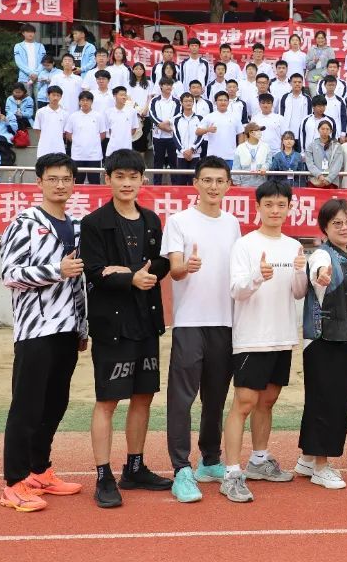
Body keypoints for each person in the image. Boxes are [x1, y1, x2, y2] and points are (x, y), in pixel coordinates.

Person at [79, 150, 174, 508]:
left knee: (143, 396)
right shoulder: (94, 223)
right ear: (108, 179)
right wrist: (129, 277)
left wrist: (136, 272)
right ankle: (103, 475)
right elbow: (94, 272)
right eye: (119, 176)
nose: (127, 183)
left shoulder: (151, 220)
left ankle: (134, 468)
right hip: (112, 326)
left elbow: (159, 263)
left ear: (142, 179)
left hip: (146, 322)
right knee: (107, 400)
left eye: (133, 176)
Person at [0, 154, 87, 513]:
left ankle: (39, 471)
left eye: (66, 179)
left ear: (74, 183)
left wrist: (82, 327)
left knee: (55, 404)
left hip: (67, 330)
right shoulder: (25, 224)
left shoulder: (76, 227)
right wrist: (55, 269)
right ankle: (13, 483)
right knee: (27, 407)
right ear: (39, 182)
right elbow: (10, 274)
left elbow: (79, 283)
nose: (60, 185)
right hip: (35, 330)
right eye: (53, 179)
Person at [160, 157, 242, 504]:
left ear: (228, 185)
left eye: (219, 181)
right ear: (195, 183)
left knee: (216, 397)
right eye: (206, 180)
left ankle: (210, 460)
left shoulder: (233, 223)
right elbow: (174, 269)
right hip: (190, 322)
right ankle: (181, 468)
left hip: (225, 322)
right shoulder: (178, 221)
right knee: (182, 399)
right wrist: (186, 267)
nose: (213, 186)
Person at [221, 180, 308, 503]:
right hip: (252, 338)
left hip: (282, 336)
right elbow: (236, 290)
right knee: (244, 402)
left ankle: (259, 460)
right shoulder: (245, 245)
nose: (275, 210)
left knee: (267, 401)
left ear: (289, 207)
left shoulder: (294, 245)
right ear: (257, 207)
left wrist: (300, 273)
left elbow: (298, 292)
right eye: (268, 204)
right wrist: (258, 276)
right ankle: (231, 473)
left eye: (281, 205)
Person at [295, 199, 347, 490]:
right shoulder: (323, 254)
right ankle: (321, 466)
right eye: (337, 223)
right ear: (324, 228)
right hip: (324, 340)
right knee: (329, 402)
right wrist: (321, 276)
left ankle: (308, 458)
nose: (345, 227)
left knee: (323, 399)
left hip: (344, 337)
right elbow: (319, 272)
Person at [63, 91, 107, 184]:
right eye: (82, 100)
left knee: (94, 182)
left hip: (94, 156)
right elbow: (68, 133)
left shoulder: (98, 116)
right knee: (77, 182)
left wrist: (93, 143)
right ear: (79, 102)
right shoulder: (73, 116)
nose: (85, 102)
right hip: (77, 155)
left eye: (88, 100)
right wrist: (77, 142)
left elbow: (103, 133)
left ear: (92, 102)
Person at [306, 119, 344, 188]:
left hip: (332, 182)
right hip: (315, 181)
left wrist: (329, 179)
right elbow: (310, 163)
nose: (325, 131)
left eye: (327, 129)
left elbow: (337, 164)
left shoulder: (336, 146)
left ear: (331, 131)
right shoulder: (311, 145)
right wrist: (319, 175)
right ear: (318, 130)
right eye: (322, 129)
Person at [234, 122, 272, 187]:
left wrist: (265, 167)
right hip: (244, 184)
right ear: (250, 133)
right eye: (257, 130)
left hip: (262, 184)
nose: (260, 132)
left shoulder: (266, 147)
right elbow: (236, 167)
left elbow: (269, 161)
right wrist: (237, 183)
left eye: (260, 130)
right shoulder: (240, 148)